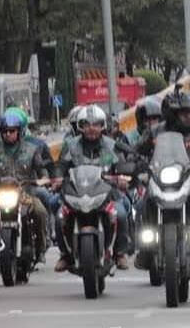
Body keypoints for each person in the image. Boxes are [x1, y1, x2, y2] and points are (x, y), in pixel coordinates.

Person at [132, 89, 190, 269]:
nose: (188, 117)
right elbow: (138, 151)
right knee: (140, 206)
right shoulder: (155, 132)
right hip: (159, 179)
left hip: (188, 180)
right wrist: (137, 164)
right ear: (171, 114)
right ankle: (144, 250)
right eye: (183, 113)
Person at [54, 105, 132, 271]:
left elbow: (122, 166)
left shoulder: (111, 146)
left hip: (108, 193)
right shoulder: (71, 145)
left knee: (122, 213)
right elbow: (61, 166)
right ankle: (65, 255)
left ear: (102, 125)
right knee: (60, 216)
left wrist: (123, 178)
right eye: (86, 124)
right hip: (77, 192)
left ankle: (120, 253)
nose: (91, 128)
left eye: (96, 124)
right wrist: (58, 178)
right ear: (80, 126)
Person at [0, 112, 50, 262]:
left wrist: (44, 178)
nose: (8, 134)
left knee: (40, 211)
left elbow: (42, 170)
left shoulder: (32, 150)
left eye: (12, 131)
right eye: (5, 131)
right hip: (0, 194)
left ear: (18, 132)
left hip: (26, 194)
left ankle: (41, 247)